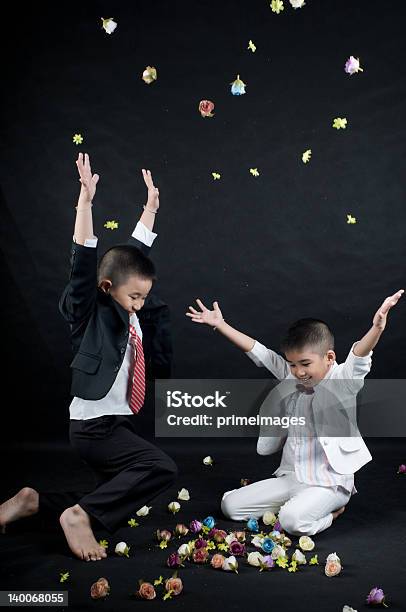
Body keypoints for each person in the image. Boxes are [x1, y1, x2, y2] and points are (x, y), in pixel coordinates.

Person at [0, 153, 177, 560]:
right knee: (161, 468)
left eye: (143, 298)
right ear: (106, 287)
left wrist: (149, 211)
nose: (138, 305)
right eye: (133, 297)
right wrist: (85, 202)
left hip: (112, 422)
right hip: (93, 428)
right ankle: (77, 517)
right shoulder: (88, 312)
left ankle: (34, 503)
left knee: (109, 493)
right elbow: (83, 262)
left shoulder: (126, 297)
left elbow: (132, 255)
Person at [186, 291, 403, 536]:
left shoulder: (342, 381)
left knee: (291, 522)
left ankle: (332, 512)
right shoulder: (292, 376)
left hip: (328, 482)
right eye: (292, 364)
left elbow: (359, 357)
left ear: (329, 358)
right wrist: (221, 325)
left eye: (305, 364)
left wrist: (376, 328)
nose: (298, 372)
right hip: (292, 477)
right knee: (230, 507)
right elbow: (262, 354)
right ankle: (299, 505)